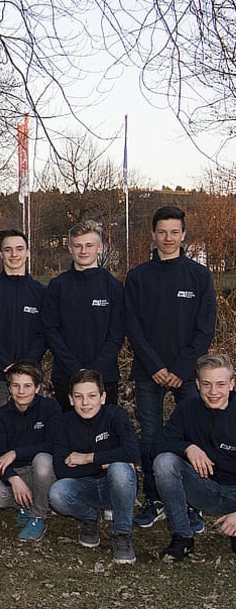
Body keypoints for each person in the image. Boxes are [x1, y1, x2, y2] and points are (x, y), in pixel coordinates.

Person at [125, 205, 216, 528]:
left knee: (193, 436)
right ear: (153, 234)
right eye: (162, 232)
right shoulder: (138, 277)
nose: (168, 238)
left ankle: (192, 502)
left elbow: (205, 329)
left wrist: (180, 369)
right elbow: (132, 326)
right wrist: (155, 366)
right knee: (151, 436)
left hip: (188, 374)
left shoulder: (199, 276)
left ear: (183, 234)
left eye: (174, 232)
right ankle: (154, 498)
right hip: (148, 372)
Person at [48, 369, 140, 565]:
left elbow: (133, 452)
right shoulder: (63, 423)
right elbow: (62, 469)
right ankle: (90, 518)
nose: (85, 403)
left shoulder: (115, 415)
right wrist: (106, 463)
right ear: (71, 399)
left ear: (103, 397)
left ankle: (122, 533)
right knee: (57, 493)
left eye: (91, 396)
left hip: (114, 486)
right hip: (85, 486)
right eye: (78, 397)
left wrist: (88, 458)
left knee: (120, 470)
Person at [153, 354, 236, 562]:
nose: (213, 392)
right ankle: (182, 537)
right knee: (164, 462)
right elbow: (158, 445)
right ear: (198, 384)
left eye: (220, 384)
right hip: (204, 488)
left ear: (232, 384)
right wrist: (187, 448)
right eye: (207, 384)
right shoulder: (187, 408)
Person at [42, 220, 124, 411]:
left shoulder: (113, 287)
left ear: (100, 247)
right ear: (70, 248)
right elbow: (51, 331)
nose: (83, 251)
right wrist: (74, 369)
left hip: (105, 378)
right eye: (78, 246)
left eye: (89, 245)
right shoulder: (57, 286)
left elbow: (117, 334)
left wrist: (95, 371)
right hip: (66, 376)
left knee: (105, 428)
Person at [0, 361, 60, 542]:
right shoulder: (0, 415)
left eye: (27, 386)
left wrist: (15, 453)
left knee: (43, 460)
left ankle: (38, 515)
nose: (21, 391)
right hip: (17, 471)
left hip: (43, 473)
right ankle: (24, 504)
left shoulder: (50, 408)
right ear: (9, 388)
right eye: (16, 386)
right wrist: (13, 478)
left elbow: (53, 445)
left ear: (37, 388)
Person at [0, 228, 46, 409]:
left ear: (27, 252)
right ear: (0, 253)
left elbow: (45, 332)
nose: (14, 254)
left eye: (19, 249)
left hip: (31, 377)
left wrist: (26, 365)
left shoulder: (41, 293)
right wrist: (6, 364)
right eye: (8, 249)